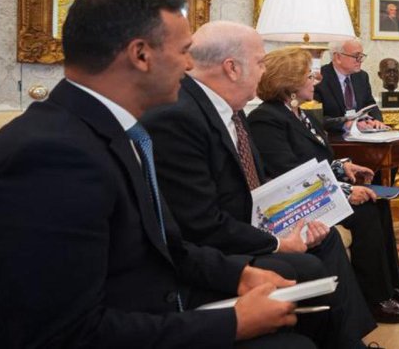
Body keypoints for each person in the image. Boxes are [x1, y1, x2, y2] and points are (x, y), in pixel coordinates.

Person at [0, 0, 310, 348]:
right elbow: (65, 333)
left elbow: (163, 245)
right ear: (140, 55)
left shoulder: (112, 129)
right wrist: (232, 324)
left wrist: (238, 275)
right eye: (184, 51)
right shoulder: (51, 157)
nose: (190, 65)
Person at [140, 21, 379, 341]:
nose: (265, 71)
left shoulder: (230, 109)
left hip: (249, 225)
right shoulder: (178, 116)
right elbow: (200, 223)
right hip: (215, 248)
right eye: (260, 62)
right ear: (232, 68)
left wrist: (296, 217)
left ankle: (349, 341)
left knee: (325, 238)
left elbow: (258, 180)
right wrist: (278, 241)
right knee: (304, 267)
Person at [247, 47, 399, 324]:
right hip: (299, 205)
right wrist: (346, 191)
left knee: (379, 204)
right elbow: (290, 176)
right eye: (308, 76)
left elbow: (316, 161)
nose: (315, 81)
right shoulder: (266, 119)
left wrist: (343, 167)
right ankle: (376, 299)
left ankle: (392, 287)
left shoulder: (300, 114)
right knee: (365, 212)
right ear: (289, 83)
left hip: (318, 194)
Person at [314, 38, 378, 129]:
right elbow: (316, 118)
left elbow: (371, 105)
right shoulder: (319, 78)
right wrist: (346, 125)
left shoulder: (362, 76)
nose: (360, 60)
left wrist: (377, 121)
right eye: (356, 56)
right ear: (338, 57)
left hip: (362, 133)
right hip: (333, 135)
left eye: (361, 56)